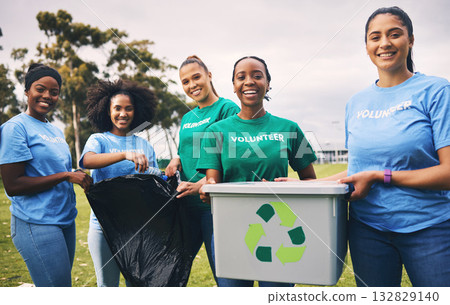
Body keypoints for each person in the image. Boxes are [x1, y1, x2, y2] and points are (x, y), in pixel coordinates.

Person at [326, 7, 450, 287]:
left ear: (411, 40)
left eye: (395, 34)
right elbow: (358, 170)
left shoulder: (436, 91)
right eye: (375, 37)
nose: (385, 43)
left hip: (430, 229)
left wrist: (380, 176)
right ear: (367, 46)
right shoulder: (356, 103)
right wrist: (304, 185)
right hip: (367, 231)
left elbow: (448, 172)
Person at [198, 56, 317, 287]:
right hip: (230, 230)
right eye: (241, 77)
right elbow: (212, 183)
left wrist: (292, 185)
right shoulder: (216, 131)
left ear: (268, 83)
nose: (249, 81)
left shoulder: (289, 129)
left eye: (257, 75)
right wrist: (207, 190)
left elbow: (310, 180)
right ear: (233, 86)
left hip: (280, 230)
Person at [0, 63, 92, 287]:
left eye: (54, 92)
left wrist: (73, 173)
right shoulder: (16, 128)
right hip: (36, 222)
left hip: (64, 220)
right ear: (27, 92)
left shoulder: (54, 130)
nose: (47, 96)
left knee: (58, 287)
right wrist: (66, 176)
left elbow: (57, 169)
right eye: (40, 89)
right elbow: (13, 184)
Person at [165, 55, 240, 285]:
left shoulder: (227, 109)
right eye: (185, 82)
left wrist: (202, 184)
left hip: (214, 206)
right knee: (170, 273)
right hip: (185, 208)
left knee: (226, 277)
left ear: (209, 76)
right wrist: (175, 159)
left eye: (196, 77)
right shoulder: (188, 117)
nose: (192, 85)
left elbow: (232, 158)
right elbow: (186, 147)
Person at [79, 79, 159, 287]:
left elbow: (156, 180)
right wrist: (125, 154)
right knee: (107, 286)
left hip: (138, 228)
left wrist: (169, 172)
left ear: (136, 112)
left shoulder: (144, 145)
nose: (123, 113)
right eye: (117, 108)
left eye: (128, 109)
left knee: (137, 285)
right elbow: (87, 160)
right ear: (107, 111)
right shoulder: (99, 140)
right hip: (102, 228)